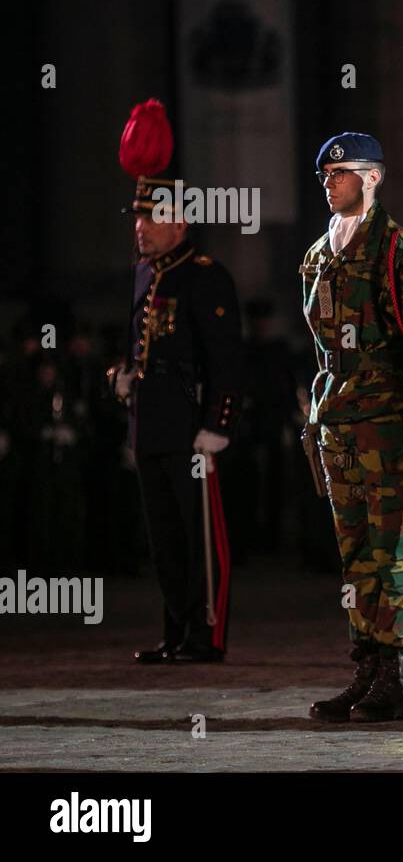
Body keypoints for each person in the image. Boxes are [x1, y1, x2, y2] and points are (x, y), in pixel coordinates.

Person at [300, 132, 403, 723]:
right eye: (326, 174)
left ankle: (395, 676)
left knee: (396, 551)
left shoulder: (401, 251)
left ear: (373, 178)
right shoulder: (318, 256)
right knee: (357, 553)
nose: (330, 181)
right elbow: (323, 350)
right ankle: (365, 668)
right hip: (339, 422)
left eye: (342, 173)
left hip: (391, 423)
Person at [108, 176, 243, 663]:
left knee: (198, 533)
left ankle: (206, 634)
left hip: (190, 424)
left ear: (181, 222)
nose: (140, 227)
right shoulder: (145, 272)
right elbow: (137, 349)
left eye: (151, 217)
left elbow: (226, 359)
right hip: (151, 420)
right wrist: (120, 378)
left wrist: (218, 424)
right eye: (138, 218)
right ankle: (176, 630)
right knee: (163, 534)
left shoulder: (205, 275)